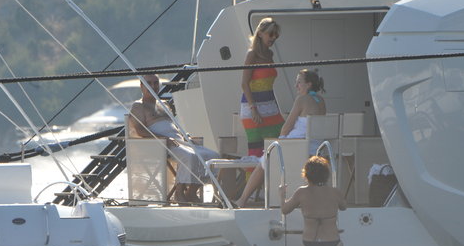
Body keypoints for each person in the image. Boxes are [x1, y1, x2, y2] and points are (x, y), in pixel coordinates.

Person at [234, 69, 326, 207]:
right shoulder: (321, 101)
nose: (296, 86)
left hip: (298, 146)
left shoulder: (302, 99)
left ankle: (242, 200)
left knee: (265, 160)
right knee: (269, 156)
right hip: (316, 148)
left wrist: (280, 140)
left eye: (299, 82)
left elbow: (286, 127)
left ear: (309, 84)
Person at [128, 74, 219, 203]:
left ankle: (191, 192)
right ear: (142, 86)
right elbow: (140, 130)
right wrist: (163, 138)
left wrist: (186, 136)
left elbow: (173, 126)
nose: (153, 86)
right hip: (161, 144)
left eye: (155, 83)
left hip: (179, 141)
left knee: (212, 156)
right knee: (190, 156)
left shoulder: (163, 104)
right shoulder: (138, 106)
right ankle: (179, 192)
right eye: (149, 83)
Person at [280, 156, 347, 246]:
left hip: (309, 243)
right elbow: (343, 207)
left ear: (306, 175)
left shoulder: (301, 192)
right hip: (332, 242)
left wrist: (282, 195)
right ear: (326, 174)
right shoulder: (335, 192)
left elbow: (285, 210)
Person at [240, 17, 284, 157]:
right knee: (256, 150)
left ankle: (275, 171)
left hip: (271, 108)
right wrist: (253, 109)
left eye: (276, 35)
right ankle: (252, 172)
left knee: (280, 142)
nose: (273, 38)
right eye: (270, 34)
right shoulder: (252, 54)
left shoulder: (270, 54)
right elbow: (244, 83)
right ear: (260, 33)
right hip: (253, 109)